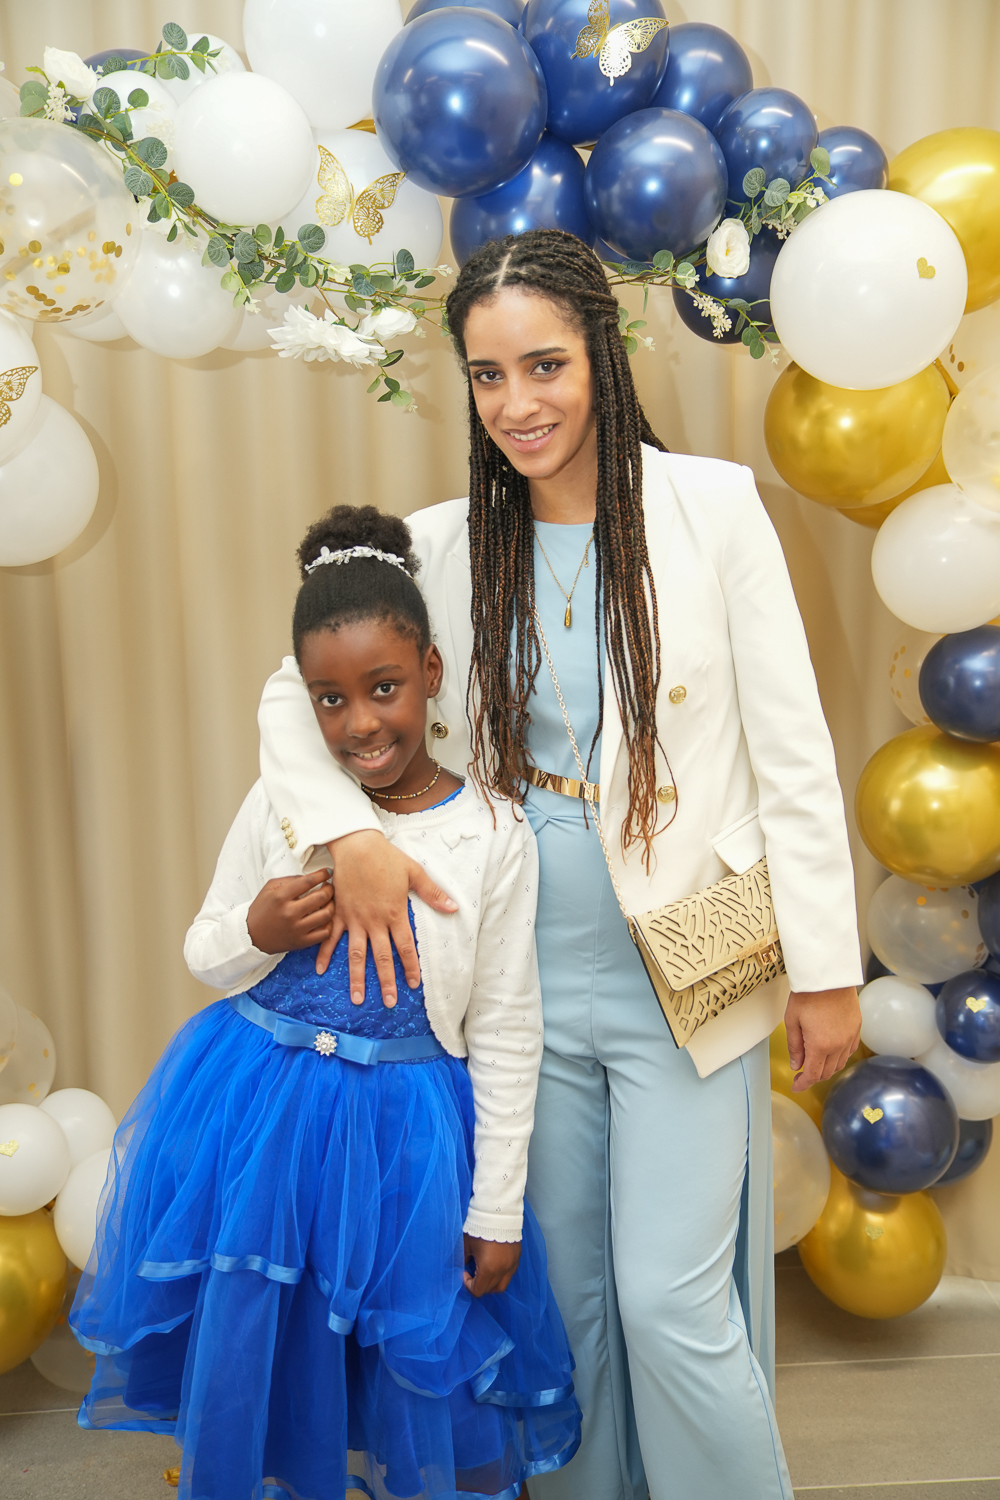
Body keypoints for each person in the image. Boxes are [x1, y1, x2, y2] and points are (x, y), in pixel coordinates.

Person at [257, 230, 864, 1500]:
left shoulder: (712, 508)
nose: (517, 404)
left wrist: (824, 968)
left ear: (601, 354)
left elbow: (794, 754)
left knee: (669, 1302)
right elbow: (289, 697)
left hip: (688, 952)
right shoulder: (441, 544)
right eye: (487, 376)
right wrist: (352, 836)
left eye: (543, 365)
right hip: (518, 971)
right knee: (566, 1300)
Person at [70, 505, 581, 1500]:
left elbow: (508, 1026)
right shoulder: (281, 803)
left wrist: (496, 1204)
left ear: (430, 672)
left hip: (407, 1137)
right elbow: (205, 948)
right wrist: (259, 927)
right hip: (265, 1121)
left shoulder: (491, 830)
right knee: (265, 1346)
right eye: (329, 699)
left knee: (414, 1359)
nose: (360, 724)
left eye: (384, 688)